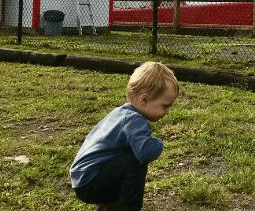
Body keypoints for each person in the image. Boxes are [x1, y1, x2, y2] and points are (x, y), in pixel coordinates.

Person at [71, 62, 179, 211]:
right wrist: (159, 143)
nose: (167, 112)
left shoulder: (120, 113)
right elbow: (146, 153)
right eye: (165, 106)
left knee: (126, 158)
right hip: (90, 182)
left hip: (83, 178)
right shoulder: (134, 119)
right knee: (135, 162)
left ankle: (109, 207)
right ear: (145, 99)